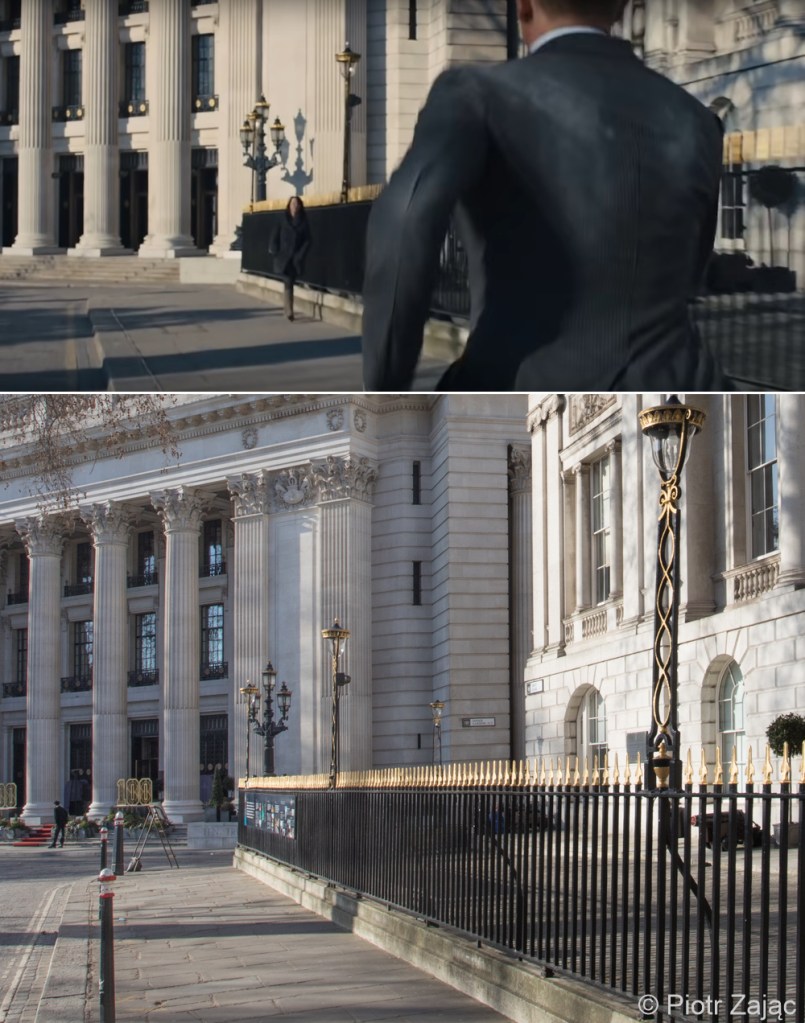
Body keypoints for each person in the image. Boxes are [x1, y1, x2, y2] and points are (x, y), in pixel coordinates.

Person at [361, 0, 725, 392]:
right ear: (619, 9)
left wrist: (386, 387)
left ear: (524, 6)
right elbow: (693, 270)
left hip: (519, 380)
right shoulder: (698, 119)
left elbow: (406, 220)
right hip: (683, 385)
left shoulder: (476, 92)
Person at [271, 196, 311, 321]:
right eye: (292, 204)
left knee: (290, 283)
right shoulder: (283, 219)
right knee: (288, 282)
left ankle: (287, 309)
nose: (294, 206)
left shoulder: (303, 221)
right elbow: (275, 235)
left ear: (299, 206)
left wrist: (300, 254)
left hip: (295, 258)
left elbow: (308, 240)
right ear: (289, 206)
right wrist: (275, 250)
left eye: (296, 204)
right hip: (284, 257)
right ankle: (289, 311)